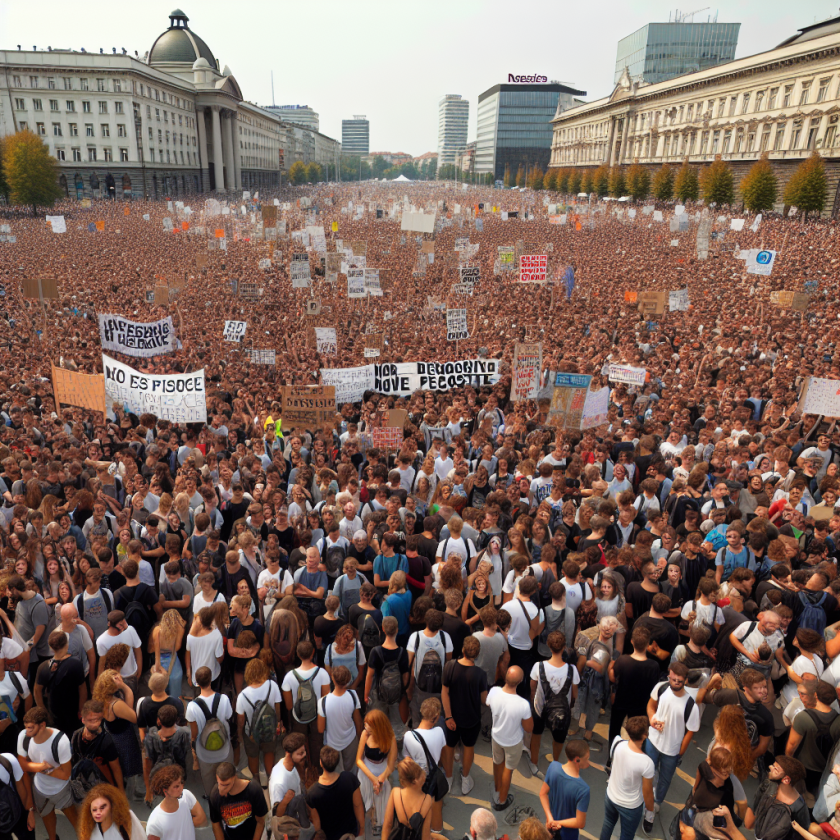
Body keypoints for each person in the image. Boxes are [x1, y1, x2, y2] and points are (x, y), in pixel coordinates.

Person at [643, 661, 701, 830]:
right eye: (673, 679)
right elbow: (651, 705)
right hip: (653, 741)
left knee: (665, 780)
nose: (676, 683)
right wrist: (653, 720)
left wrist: (680, 752)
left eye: (679, 681)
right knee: (648, 773)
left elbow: (690, 731)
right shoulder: (661, 688)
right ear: (669, 675)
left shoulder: (691, 705)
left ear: (685, 681)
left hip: (672, 750)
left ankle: (654, 805)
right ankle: (647, 802)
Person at [16, 706, 76, 840]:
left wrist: (40, 769)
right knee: (46, 816)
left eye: (31, 727)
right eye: (26, 727)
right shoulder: (24, 737)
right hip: (40, 789)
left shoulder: (61, 741)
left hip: (61, 790)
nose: (27, 731)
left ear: (42, 725)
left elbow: (66, 774)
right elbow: (22, 764)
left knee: (76, 822)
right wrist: (42, 767)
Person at [606, 627, 661, 770]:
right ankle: (634, 760)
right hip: (641, 705)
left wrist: (610, 668)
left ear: (632, 642)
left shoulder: (623, 660)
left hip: (621, 702)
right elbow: (655, 688)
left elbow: (612, 677)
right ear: (648, 644)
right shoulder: (653, 666)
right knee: (637, 733)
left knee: (615, 730)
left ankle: (611, 759)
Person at [441, 634, 487, 796]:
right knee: (468, 747)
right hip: (471, 719)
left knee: (449, 746)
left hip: (452, 718)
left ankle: (448, 777)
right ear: (477, 654)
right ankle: (466, 779)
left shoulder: (450, 666)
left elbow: (444, 691)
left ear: (462, 650)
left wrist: (448, 716)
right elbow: (483, 700)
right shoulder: (480, 674)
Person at [529, 630, 579, 774]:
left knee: (536, 735)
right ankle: (556, 763)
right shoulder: (572, 669)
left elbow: (532, 688)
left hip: (540, 708)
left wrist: (533, 701)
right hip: (562, 711)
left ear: (549, 647)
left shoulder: (538, 666)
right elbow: (574, 693)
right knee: (558, 740)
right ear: (564, 647)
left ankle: (534, 763)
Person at [600, 716, 654, 840]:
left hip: (611, 796)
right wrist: (650, 810)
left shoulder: (617, 742)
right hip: (631, 806)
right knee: (627, 835)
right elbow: (647, 793)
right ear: (645, 735)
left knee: (608, 824)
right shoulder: (647, 763)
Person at [487, 666, 533, 812]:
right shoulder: (523, 704)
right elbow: (528, 728)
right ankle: (502, 800)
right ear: (520, 681)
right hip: (513, 742)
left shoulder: (494, 691)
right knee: (508, 769)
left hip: (496, 736)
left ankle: (497, 787)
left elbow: (488, 703)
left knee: (497, 761)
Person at [281, 641, 330, 773]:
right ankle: (318, 772)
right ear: (313, 653)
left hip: (298, 717)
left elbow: (289, 705)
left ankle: (302, 772)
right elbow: (326, 699)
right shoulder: (323, 673)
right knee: (317, 744)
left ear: (297, 654)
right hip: (318, 715)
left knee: (298, 746)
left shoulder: (289, 677)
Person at [186, 665, 234, 799]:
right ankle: (228, 796)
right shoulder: (223, 699)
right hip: (224, 747)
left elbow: (194, 733)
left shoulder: (192, 707)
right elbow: (229, 717)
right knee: (227, 774)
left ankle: (212, 798)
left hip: (204, 751)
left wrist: (193, 748)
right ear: (211, 679)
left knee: (208, 779)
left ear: (197, 682)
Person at [402, 697, 447, 835]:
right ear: (436, 717)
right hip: (434, 776)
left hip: (417, 778)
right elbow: (442, 755)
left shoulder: (409, 735)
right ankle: (436, 833)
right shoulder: (439, 732)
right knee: (436, 806)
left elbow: (407, 759)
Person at [236, 657, 282, 783]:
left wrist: (240, 734)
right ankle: (270, 777)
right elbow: (277, 708)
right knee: (269, 751)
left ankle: (256, 778)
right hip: (269, 728)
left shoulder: (242, 696)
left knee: (252, 754)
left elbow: (241, 720)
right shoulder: (273, 686)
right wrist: (278, 723)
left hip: (251, 733)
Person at [306, 745, 365, 840]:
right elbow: (358, 805)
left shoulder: (312, 793)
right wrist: (362, 830)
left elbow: (317, 824)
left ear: (321, 763)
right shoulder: (349, 779)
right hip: (351, 835)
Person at [35, 629, 86, 736]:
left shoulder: (43, 667)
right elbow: (82, 689)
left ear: (50, 647)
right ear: (67, 644)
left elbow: (37, 691)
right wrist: (81, 710)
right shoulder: (75, 664)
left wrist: (44, 711)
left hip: (54, 712)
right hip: (73, 710)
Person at [406, 609, 453, 727]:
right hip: (439, 686)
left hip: (419, 686)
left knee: (418, 713)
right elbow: (448, 659)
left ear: (425, 621)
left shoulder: (415, 637)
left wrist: (409, 688)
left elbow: (409, 662)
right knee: (437, 714)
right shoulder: (445, 638)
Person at [355, 709, 398, 836]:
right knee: (364, 799)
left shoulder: (390, 738)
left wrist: (380, 779)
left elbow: (391, 766)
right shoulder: (365, 734)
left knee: (382, 798)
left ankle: (378, 823)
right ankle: (365, 821)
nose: (366, 728)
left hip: (382, 770)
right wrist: (373, 779)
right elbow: (358, 760)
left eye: (369, 726)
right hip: (366, 771)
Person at [500, 576, 544, 701]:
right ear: (533, 591)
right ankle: (523, 697)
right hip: (526, 648)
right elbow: (535, 629)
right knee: (525, 675)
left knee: (512, 671)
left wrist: (506, 635)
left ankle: (511, 693)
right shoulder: (534, 609)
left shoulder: (507, 605)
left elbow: (499, 623)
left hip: (511, 645)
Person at [539, 740, 591, 840]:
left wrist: (550, 818)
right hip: (568, 835)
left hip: (550, 828)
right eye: (586, 759)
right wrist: (557, 823)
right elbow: (580, 823)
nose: (588, 762)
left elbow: (542, 794)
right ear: (577, 760)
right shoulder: (583, 789)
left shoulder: (553, 766)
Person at [142, 703, 191, 807]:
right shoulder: (184, 734)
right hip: (178, 775)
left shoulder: (151, 737)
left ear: (158, 721)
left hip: (158, 777)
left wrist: (148, 790)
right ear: (176, 720)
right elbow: (186, 757)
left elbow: (147, 763)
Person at [364, 615, 410, 723]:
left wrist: (366, 695)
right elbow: (405, 676)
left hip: (379, 694)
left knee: (379, 723)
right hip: (396, 696)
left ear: (383, 629)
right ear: (397, 630)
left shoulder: (375, 651)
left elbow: (369, 675)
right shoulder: (402, 652)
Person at [317, 664, 361, 773]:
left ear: (332, 678)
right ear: (348, 680)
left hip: (332, 743)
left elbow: (320, 729)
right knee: (351, 771)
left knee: (336, 774)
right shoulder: (353, 695)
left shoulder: (323, 702)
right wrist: (360, 739)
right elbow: (358, 722)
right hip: (350, 740)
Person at [71, 700, 124, 791]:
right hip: (83, 783)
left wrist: (121, 791)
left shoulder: (106, 741)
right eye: (91, 720)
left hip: (102, 785)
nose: (95, 724)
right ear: (83, 719)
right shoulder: (76, 735)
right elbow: (72, 759)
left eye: (98, 719)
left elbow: (116, 769)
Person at [209, 760, 269, 840]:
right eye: (220, 784)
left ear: (234, 778)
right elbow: (216, 824)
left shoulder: (253, 790)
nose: (221, 789)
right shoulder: (215, 795)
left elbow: (261, 821)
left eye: (226, 785)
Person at [146, 765, 206, 840]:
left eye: (181, 783)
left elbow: (202, 819)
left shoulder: (187, 796)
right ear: (165, 791)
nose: (181, 788)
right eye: (176, 786)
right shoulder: (155, 822)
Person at [380, 757, 433, 840]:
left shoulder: (396, 793)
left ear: (402, 781)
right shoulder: (427, 800)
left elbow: (388, 824)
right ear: (419, 779)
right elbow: (425, 834)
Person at [77, 783, 147, 840]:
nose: (98, 812)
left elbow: (140, 837)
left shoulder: (127, 818)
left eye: (102, 807)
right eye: (94, 810)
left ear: (112, 806)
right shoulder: (90, 831)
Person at [185, 606, 225, 693]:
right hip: (213, 676)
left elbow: (187, 653)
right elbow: (219, 658)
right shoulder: (217, 635)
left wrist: (189, 672)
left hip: (196, 678)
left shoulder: (190, 637)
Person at [268, 732, 306, 815]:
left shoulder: (293, 765)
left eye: (304, 751)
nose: (304, 755)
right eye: (300, 753)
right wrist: (285, 801)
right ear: (289, 754)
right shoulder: (279, 782)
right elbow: (277, 815)